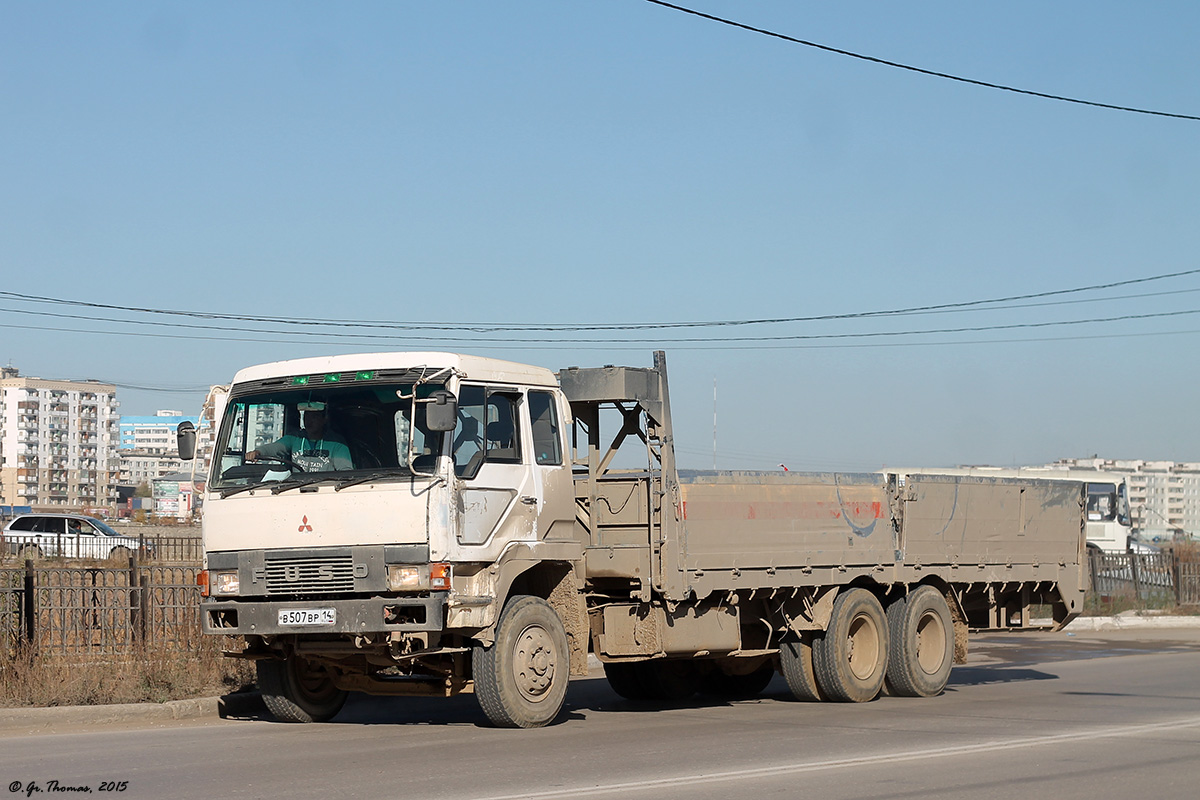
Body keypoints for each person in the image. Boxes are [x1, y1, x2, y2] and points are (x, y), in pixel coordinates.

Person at [247, 402, 354, 472]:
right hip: (295, 488)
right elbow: (275, 447)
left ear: (324, 419)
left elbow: (346, 472)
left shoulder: (337, 444)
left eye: (314, 417)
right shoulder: (294, 438)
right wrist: (258, 452)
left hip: (325, 491)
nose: (309, 421)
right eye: (306, 416)